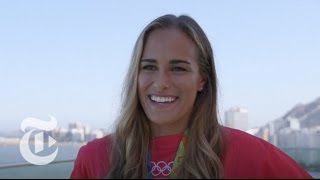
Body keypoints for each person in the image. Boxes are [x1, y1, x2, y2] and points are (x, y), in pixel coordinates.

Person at [70, 14, 313, 179]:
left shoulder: (251, 155)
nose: (162, 83)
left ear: (202, 80)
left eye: (178, 68)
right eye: (149, 67)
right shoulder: (93, 158)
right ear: (135, 74)